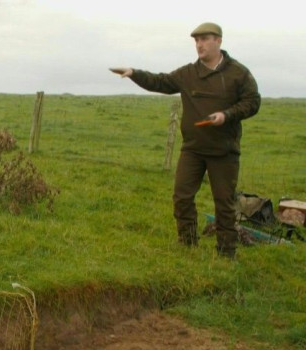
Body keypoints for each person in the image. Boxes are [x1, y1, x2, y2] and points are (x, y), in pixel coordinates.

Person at [110, 22, 261, 259]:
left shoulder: (238, 73)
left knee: (223, 204)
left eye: (205, 39)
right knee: (182, 198)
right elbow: (160, 81)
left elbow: (253, 102)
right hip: (193, 150)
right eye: (196, 40)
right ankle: (188, 244)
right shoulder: (188, 74)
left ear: (219, 41)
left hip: (224, 151)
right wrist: (134, 74)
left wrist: (226, 115)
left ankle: (226, 253)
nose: (199, 44)